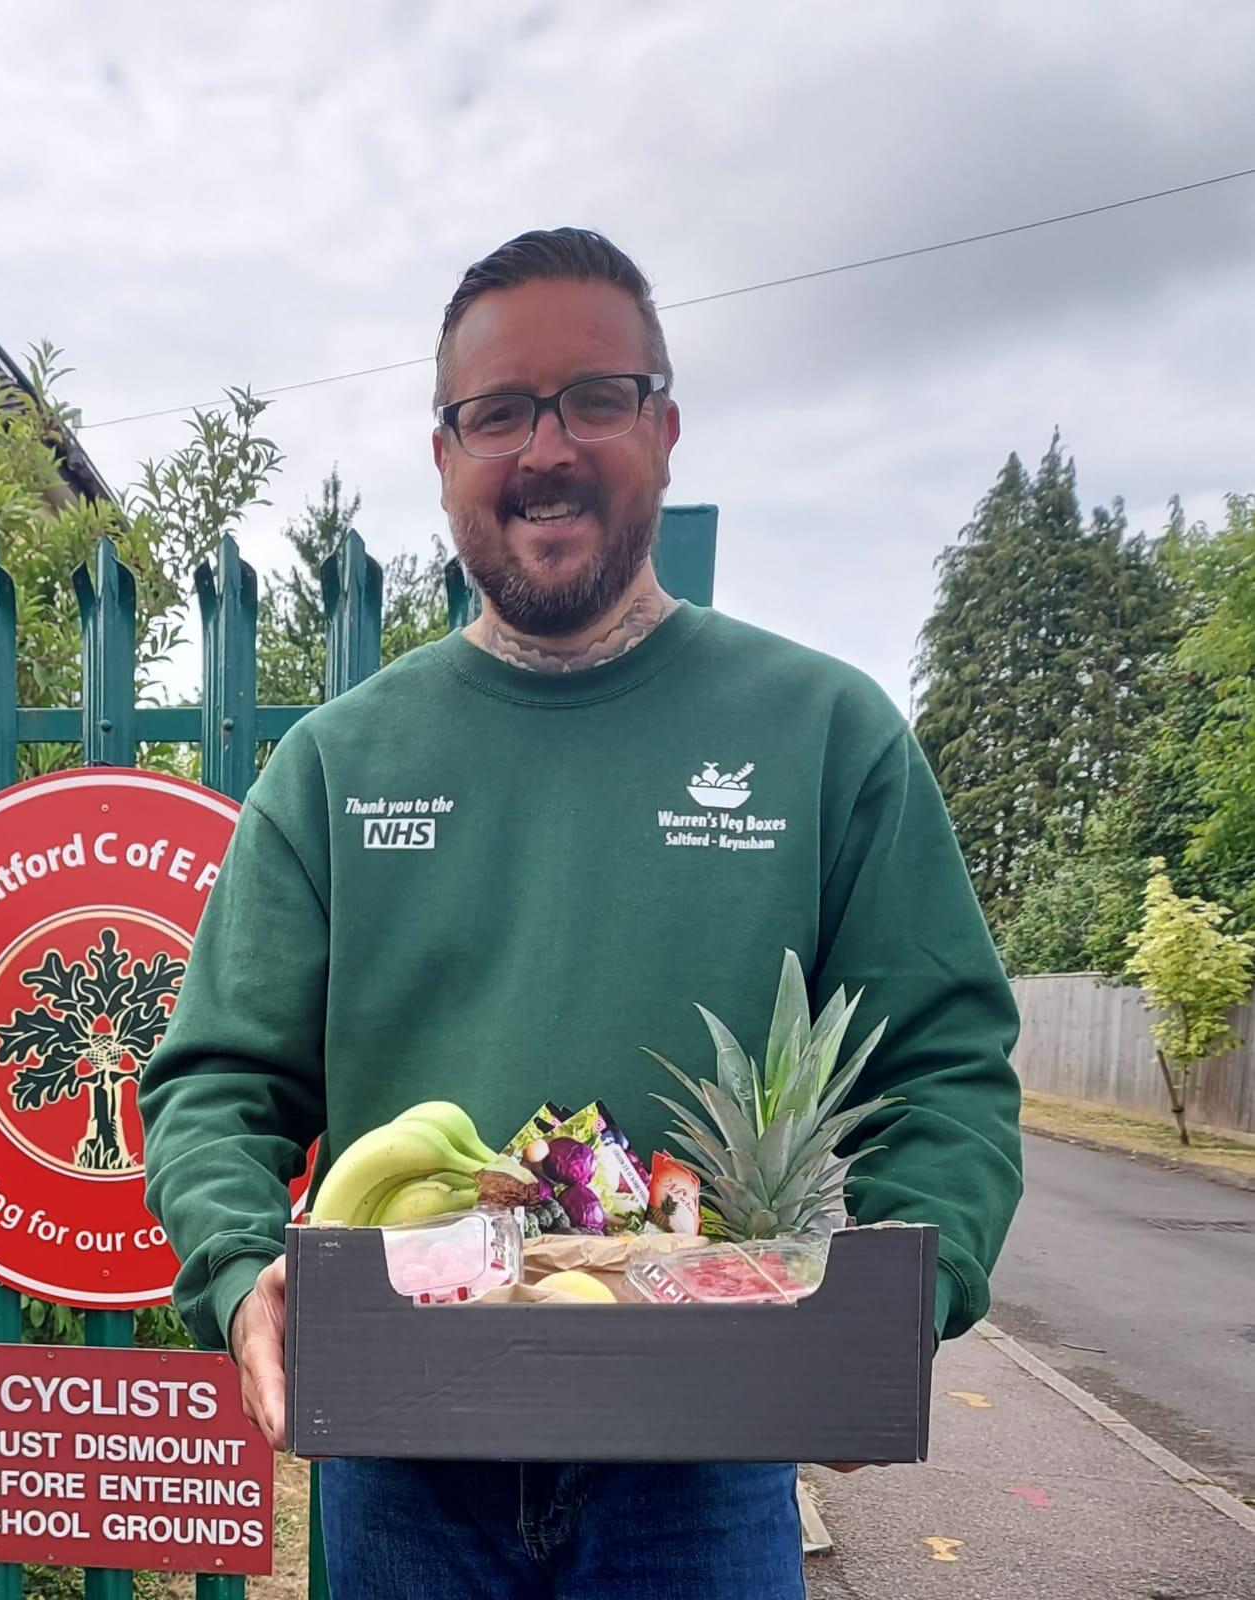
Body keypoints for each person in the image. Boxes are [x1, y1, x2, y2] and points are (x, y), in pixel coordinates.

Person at [141, 227, 1024, 1599]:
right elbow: (215, 1080)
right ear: (445, 455)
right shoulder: (338, 764)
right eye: (497, 412)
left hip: (706, 1464)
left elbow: (948, 1063)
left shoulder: (823, 735)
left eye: (595, 400)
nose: (545, 450)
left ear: (664, 429)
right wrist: (240, 1262)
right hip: (403, 1463)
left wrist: (911, 1295)